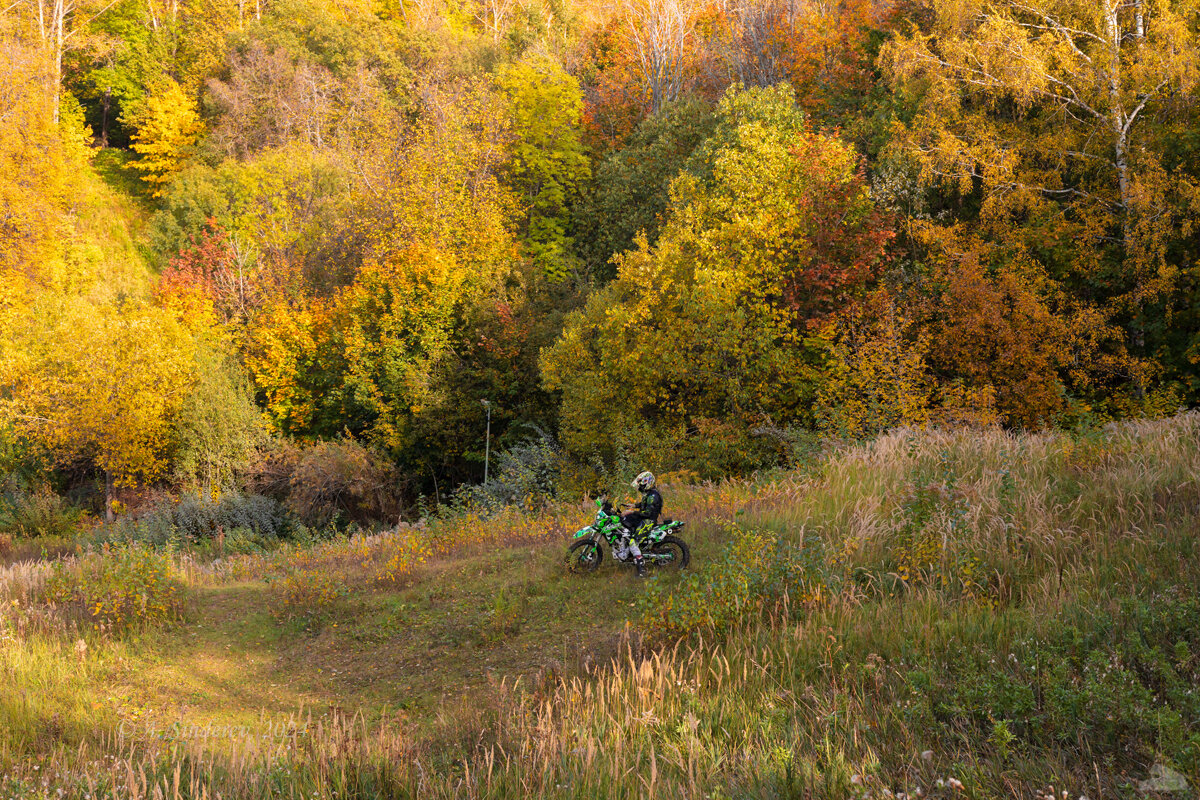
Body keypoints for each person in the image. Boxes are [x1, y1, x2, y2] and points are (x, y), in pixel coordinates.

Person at [619, 471, 663, 578]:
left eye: (641, 484)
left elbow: (648, 513)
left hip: (648, 521)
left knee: (633, 542)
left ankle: (642, 570)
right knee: (624, 521)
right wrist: (633, 505)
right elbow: (644, 504)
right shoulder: (649, 493)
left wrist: (631, 511)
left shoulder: (653, 496)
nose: (640, 486)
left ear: (647, 482)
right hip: (644, 518)